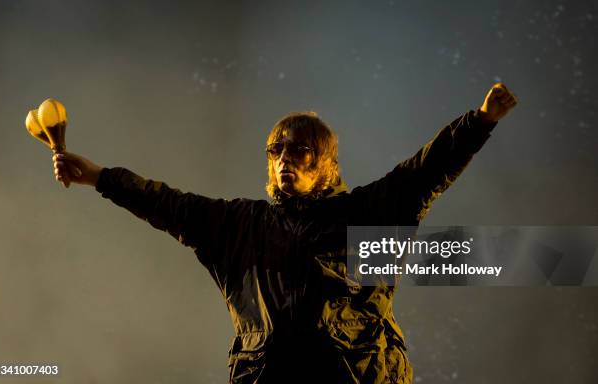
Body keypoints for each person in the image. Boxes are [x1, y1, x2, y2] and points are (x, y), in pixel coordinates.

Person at [52, 83, 518, 383]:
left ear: (329, 164)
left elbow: (424, 171)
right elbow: (164, 201)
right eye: (276, 149)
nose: (285, 159)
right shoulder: (239, 226)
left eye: (301, 151)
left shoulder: (366, 216)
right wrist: (98, 177)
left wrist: (479, 123)